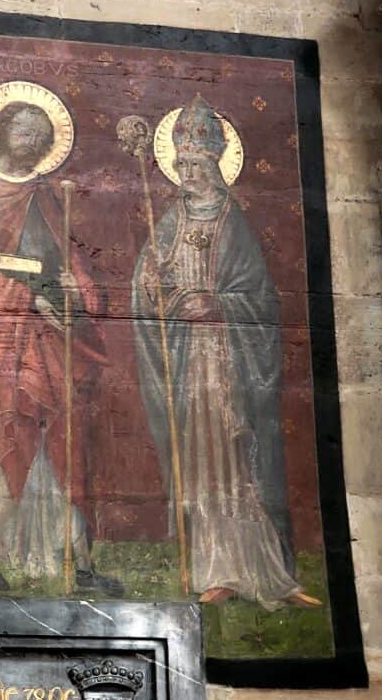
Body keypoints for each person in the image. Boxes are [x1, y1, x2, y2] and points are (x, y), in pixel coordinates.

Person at [132, 95, 320, 609]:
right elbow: (149, 286)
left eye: (197, 163)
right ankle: (216, 570)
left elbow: (259, 297)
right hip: (191, 358)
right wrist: (153, 286)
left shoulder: (235, 221)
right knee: (204, 460)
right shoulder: (166, 221)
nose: (189, 172)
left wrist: (216, 304)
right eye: (182, 164)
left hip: (230, 356)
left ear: (216, 163)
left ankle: (268, 571)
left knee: (241, 462)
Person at [0, 98, 116, 592]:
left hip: (51, 333)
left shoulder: (46, 193)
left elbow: (67, 258)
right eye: (24, 133)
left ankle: (71, 558)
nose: (34, 145)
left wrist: (73, 290)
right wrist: (26, 299)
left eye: (42, 138)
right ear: (0, 133)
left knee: (63, 436)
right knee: (13, 428)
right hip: (6, 335)